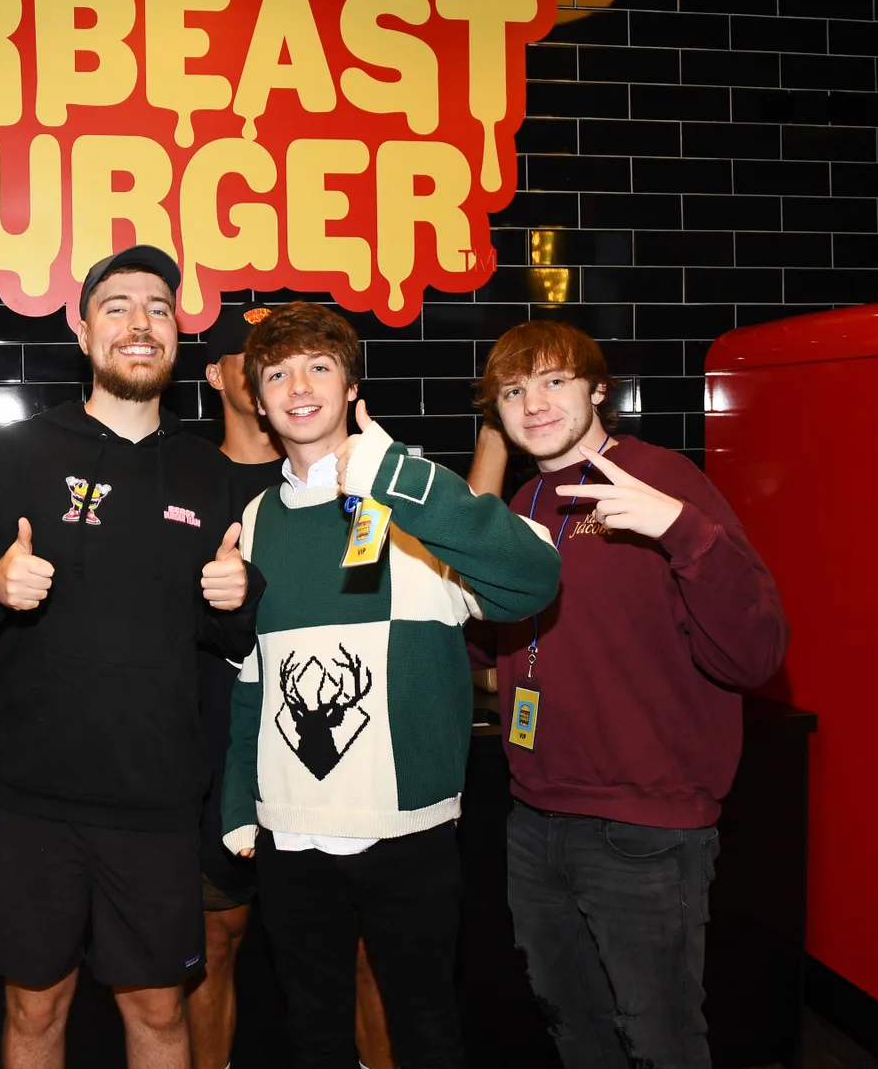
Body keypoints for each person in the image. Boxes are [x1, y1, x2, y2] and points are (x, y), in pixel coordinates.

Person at [0, 245, 262, 1069]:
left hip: (154, 804)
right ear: (83, 333)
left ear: (176, 334)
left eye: (157, 307)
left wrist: (239, 599)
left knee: (158, 1014)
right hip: (27, 802)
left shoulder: (206, 471)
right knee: (34, 1010)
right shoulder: (18, 454)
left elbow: (237, 637)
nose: (139, 324)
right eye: (116, 307)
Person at [221, 302, 561, 1069]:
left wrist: (392, 476)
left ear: (350, 386)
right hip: (291, 833)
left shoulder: (416, 493)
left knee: (426, 1028)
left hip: (406, 831)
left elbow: (532, 582)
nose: (298, 386)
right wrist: (242, 804)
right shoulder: (256, 515)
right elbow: (256, 680)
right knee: (315, 1032)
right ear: (259, 397)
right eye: (277, 373)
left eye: (318, 367)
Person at [468, 320, 788, 1069]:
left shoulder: (662, 479)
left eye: (554, 382)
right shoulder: (525, 502)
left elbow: (758, 651)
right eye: (514, 390)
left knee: (661, 1042)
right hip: (536, 815)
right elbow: (496, 643)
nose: (534, 404)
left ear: (598, 390)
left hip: (643, 829)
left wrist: (682, 532)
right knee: (572, 1028)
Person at [189, 305, 395, 1069]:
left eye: (309, 361)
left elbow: (370, 590)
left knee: (365, 953)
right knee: (213, 944)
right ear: (222, 374)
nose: (285, 376)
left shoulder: (355, 477)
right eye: (264, 360)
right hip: (218, 752)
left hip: (328, 758)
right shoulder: (188, 475)